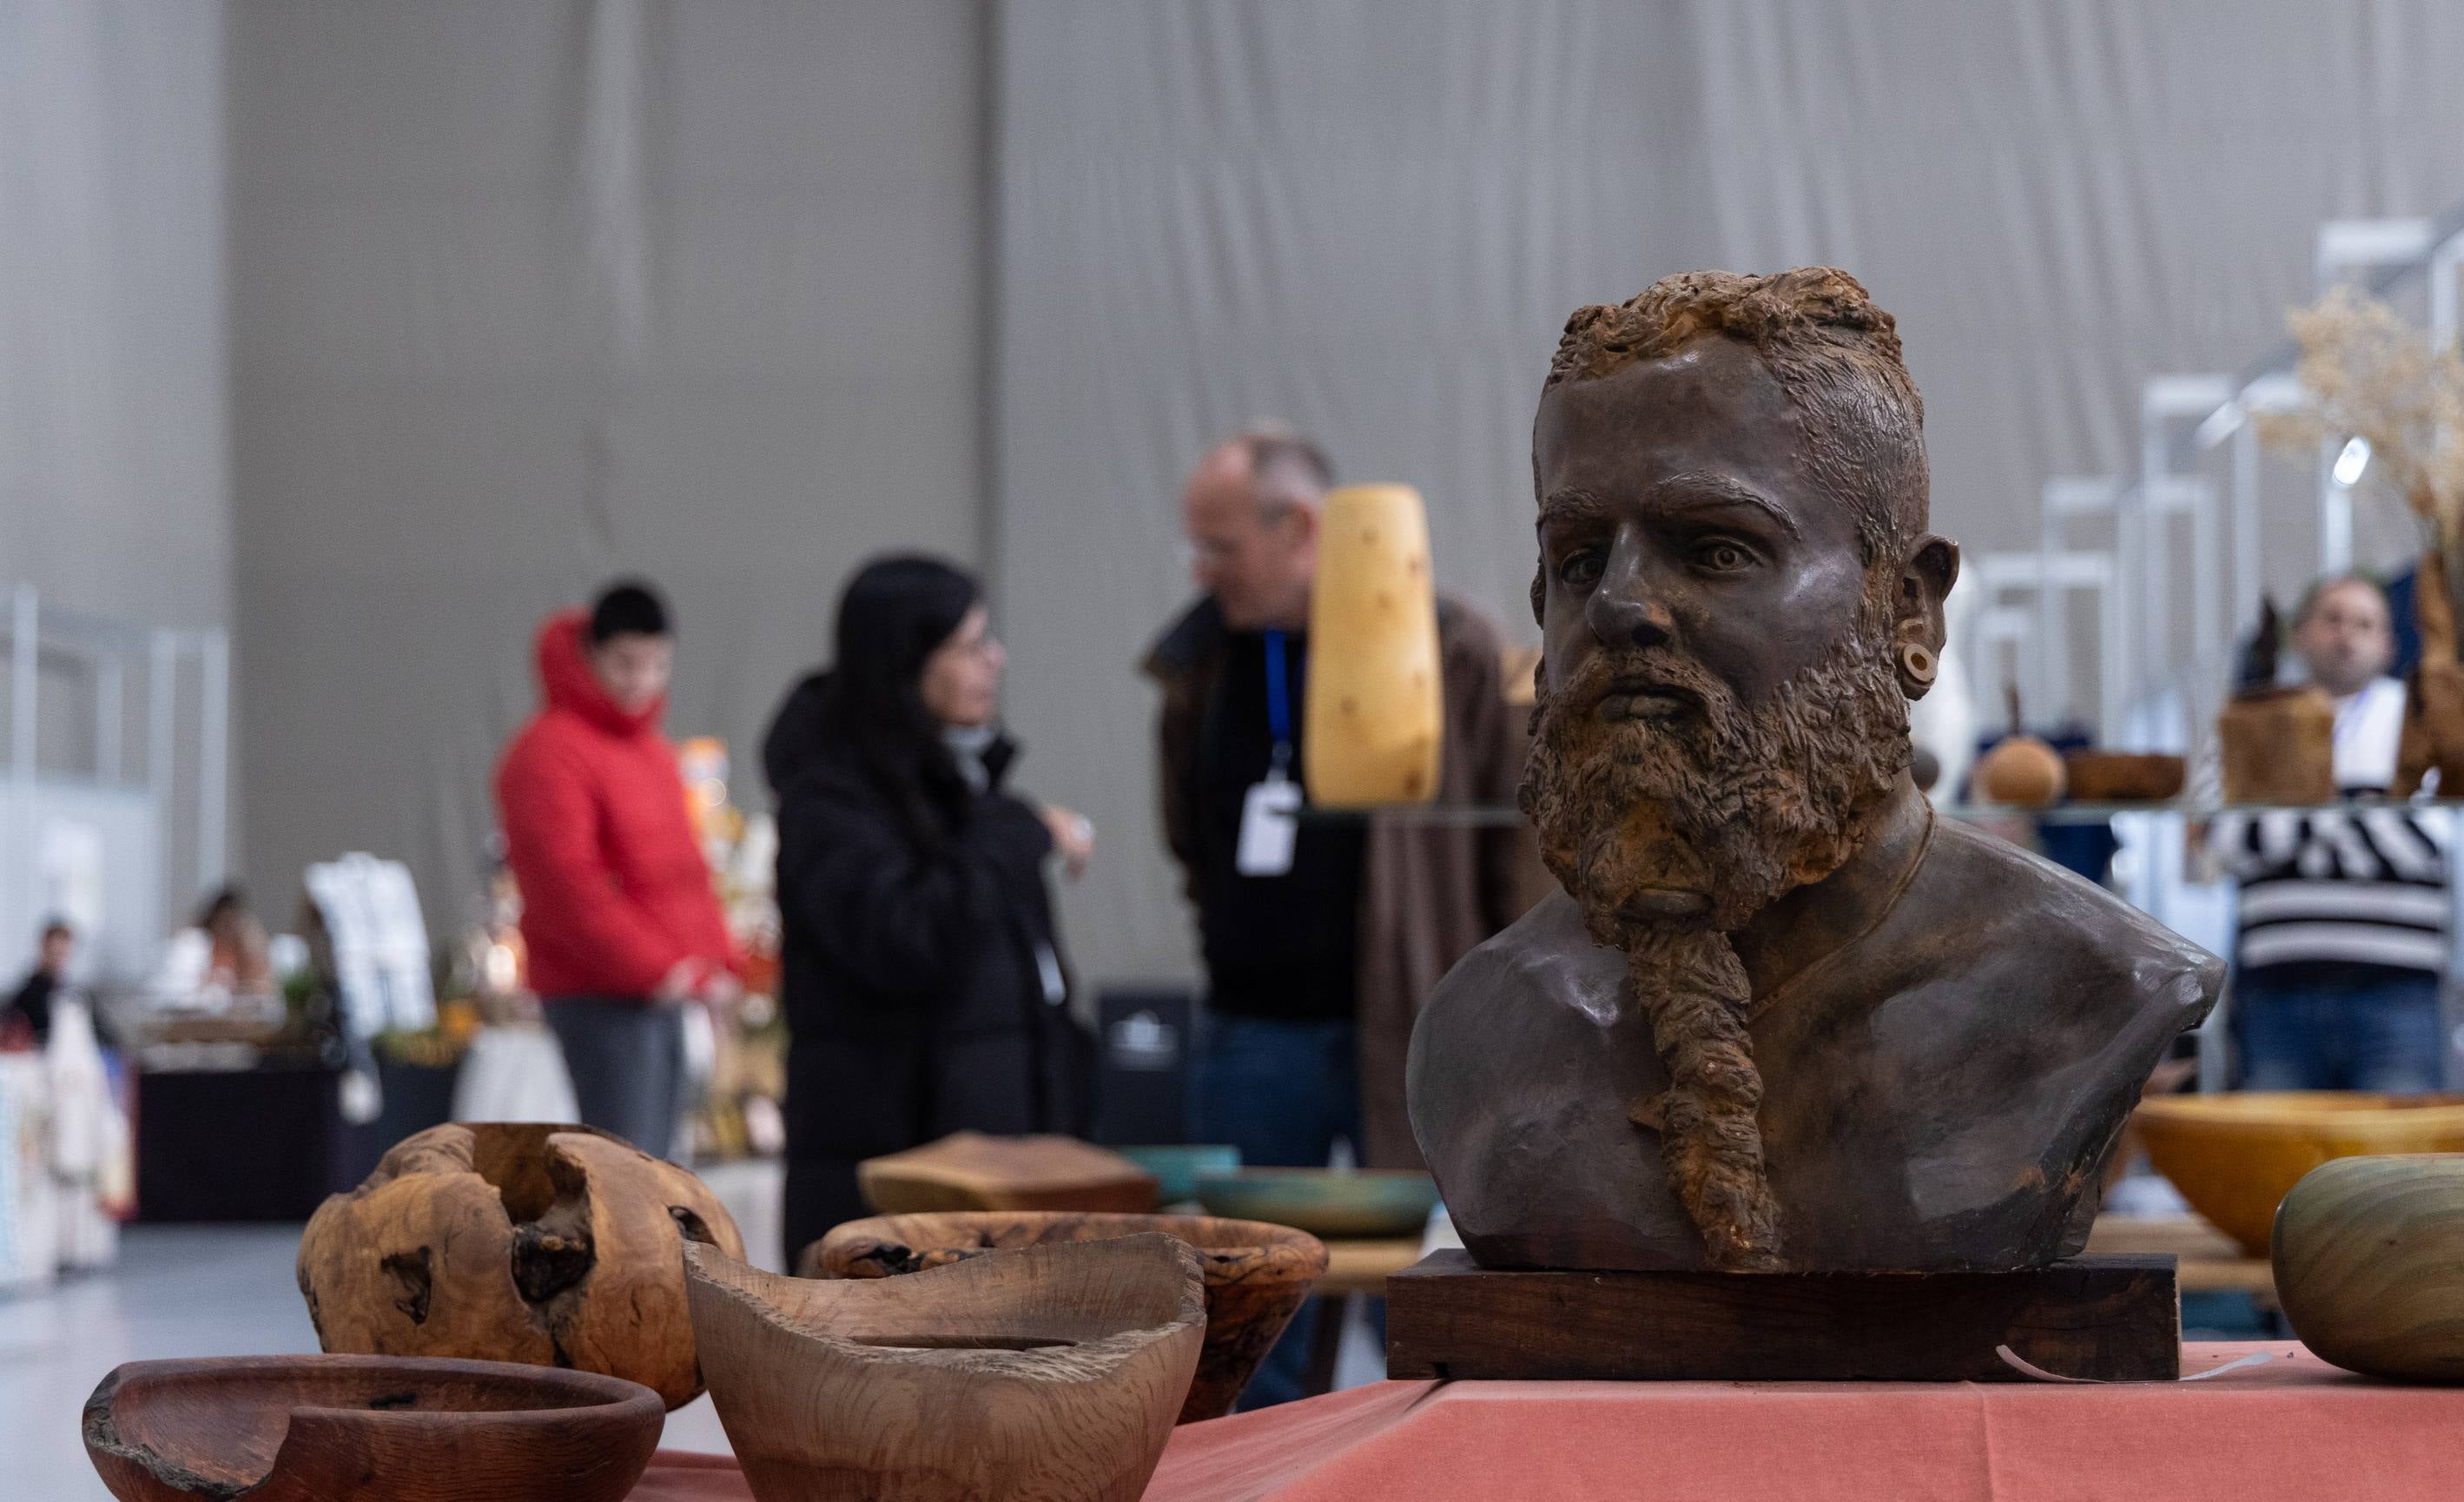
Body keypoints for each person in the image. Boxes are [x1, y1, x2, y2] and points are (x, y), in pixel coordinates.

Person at [1409, 267, 2218, 1274]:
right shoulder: (1482, 1032)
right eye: (1578, 560)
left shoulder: (2090, 988)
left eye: (1713, 550)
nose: (1617, 605)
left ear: (1908, 612)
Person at [1143, 428, 1517, 1402]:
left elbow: (1508, 856)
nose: (1203, 571)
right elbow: (1188, 832)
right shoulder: (1201, 665)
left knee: (1436, 1281)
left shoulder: (1449, 650)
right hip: (1251, 1033)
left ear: (1299, 527)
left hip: (1411, 1029)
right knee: (1248, 1305)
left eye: (1221, 546)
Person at [763, 552, 1096, 1272]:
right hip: (893, 1191)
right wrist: (1016, 830)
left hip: (989, 1180)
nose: (994, 660)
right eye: (969, 644)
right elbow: (906, 939)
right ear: (903, 661)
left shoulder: (956, 788)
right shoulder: (831, 799)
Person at [497, 580, 735, 1155]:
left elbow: (682, 871)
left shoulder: (651, 750)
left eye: (656, 664)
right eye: (626, 663)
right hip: (598, 992)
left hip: (661, 988)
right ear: (590, 655)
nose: (642, 679)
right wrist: (652, 968)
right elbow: (566, 888)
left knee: (658, 1164)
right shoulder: (549, 753)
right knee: (625, 1167)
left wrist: (716, 961)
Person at [2212, 574, 2449, 1091]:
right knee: (2279, 1165)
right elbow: (2231, 843)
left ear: (2388, 644)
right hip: (2278, 991)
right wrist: (2363, 810)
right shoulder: (2257, 717)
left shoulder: (2422, 718)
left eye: (2364, 623)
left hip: (2398, 991)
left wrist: (2295, 817)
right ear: (2301, 634)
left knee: (2400, 1164)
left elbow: (2429, 843)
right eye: (2333, 619)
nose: (2346, 635)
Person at [4, 920, 80, 1049]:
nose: (58, 959)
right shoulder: (28, 995)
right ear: (43, 949)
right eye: (54, 952)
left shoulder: (74, 994)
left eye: (62, 953)